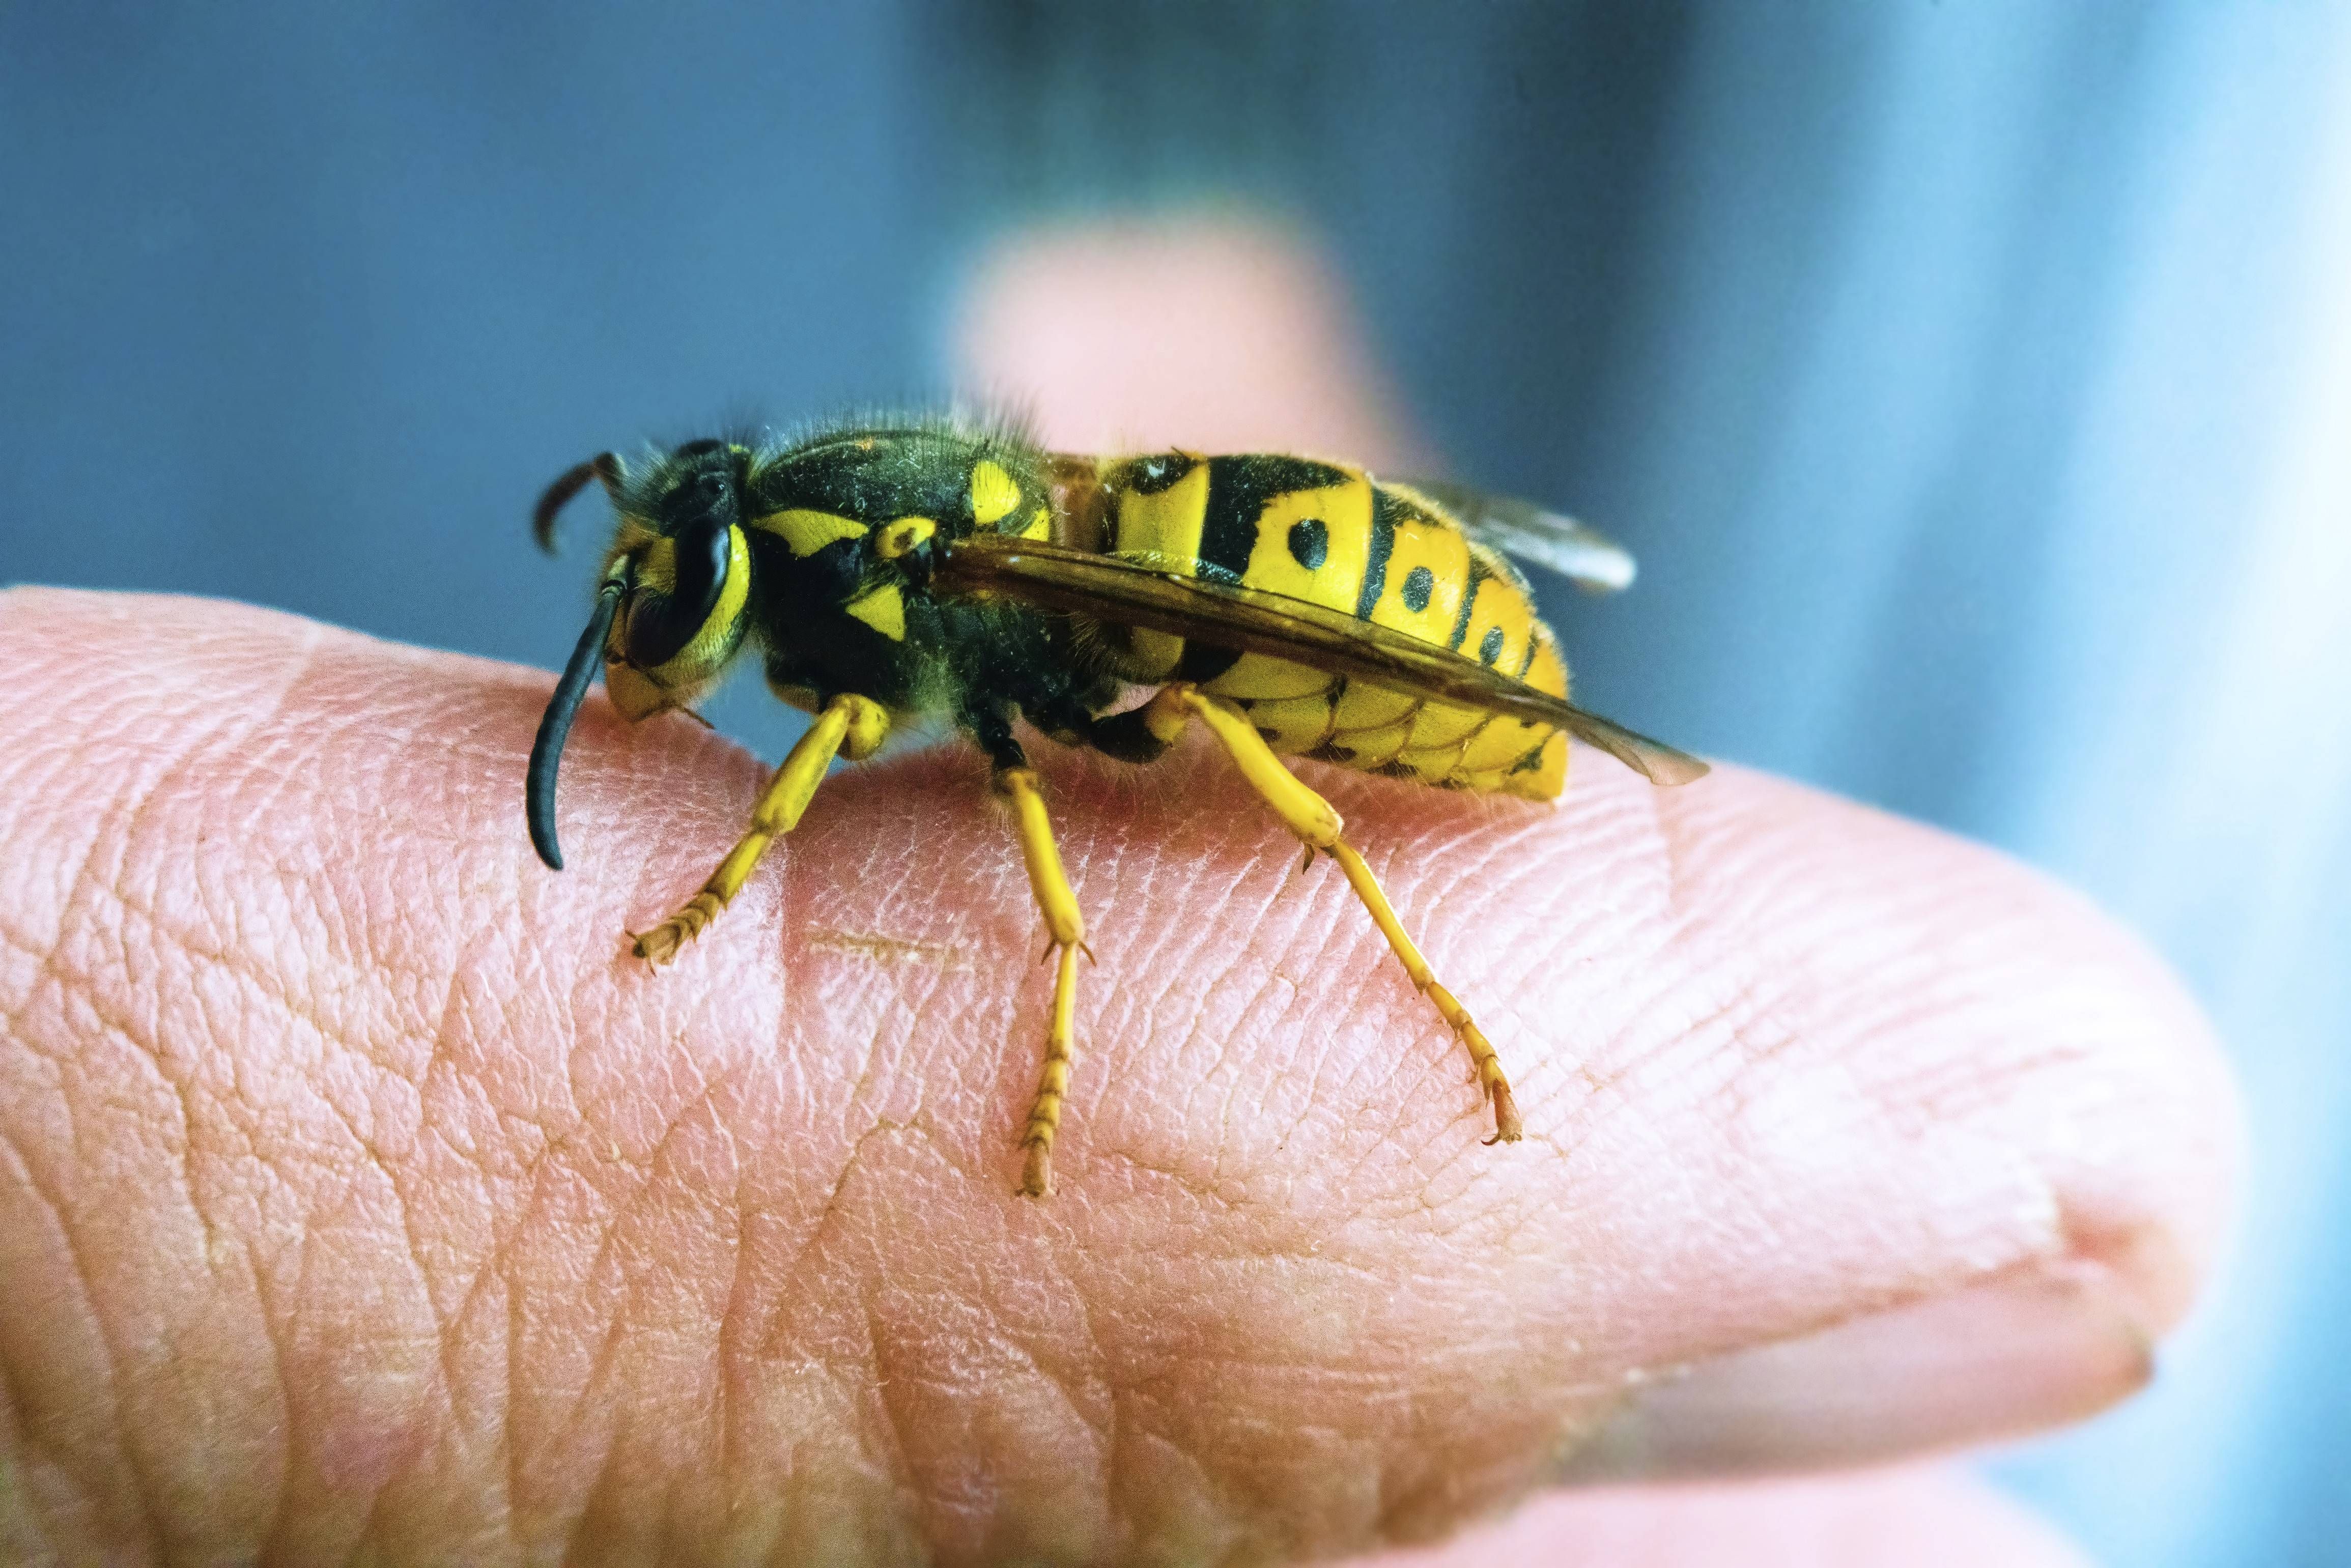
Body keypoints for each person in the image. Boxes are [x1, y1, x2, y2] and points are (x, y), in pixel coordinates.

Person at [0, 224, 2234, 1565]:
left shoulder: (948, 603)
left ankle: (1414, 986)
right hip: (1199, 548)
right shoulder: (906, 549)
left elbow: (977, 753)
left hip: (1321, 629)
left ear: (799, 564)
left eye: (674, 604)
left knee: (1191, 728)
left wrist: (1027, 979)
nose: (676, 651)